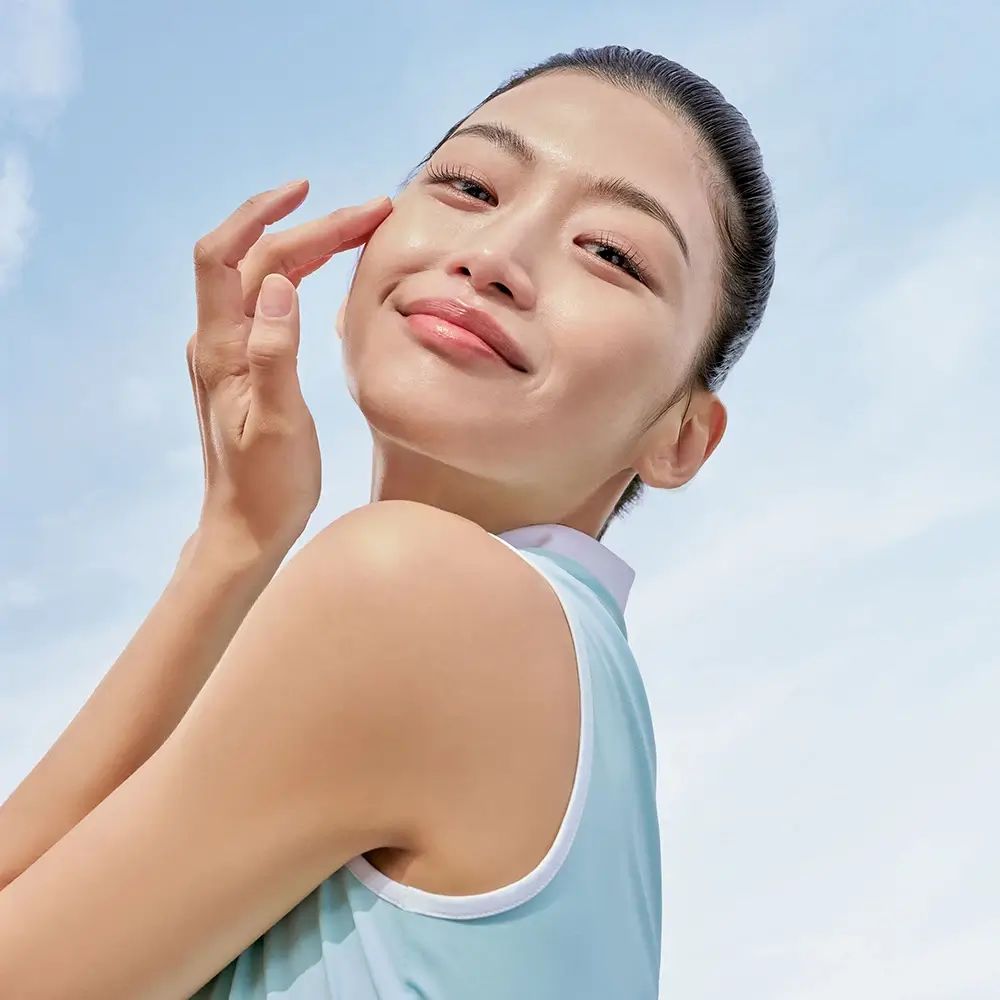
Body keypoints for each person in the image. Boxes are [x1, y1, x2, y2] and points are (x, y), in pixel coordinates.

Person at [0, 44, 777, 998]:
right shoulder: (571, 688)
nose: (493, 258)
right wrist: (235, 543)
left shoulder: (425, 597)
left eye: (611, 254)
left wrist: (231, 550)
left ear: (682, 437)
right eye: (470, 187)